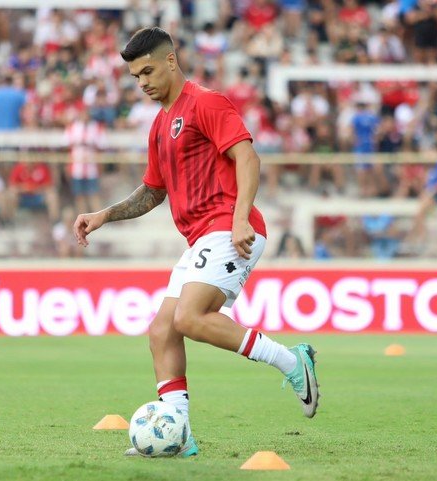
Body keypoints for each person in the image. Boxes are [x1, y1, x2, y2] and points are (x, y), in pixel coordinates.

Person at [73, 27, 319, 458]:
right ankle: (180, 434)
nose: (143, 82)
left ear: (171, 60)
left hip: (229, 226)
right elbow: (153, 192)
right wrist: (104, 215)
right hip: (201, 237)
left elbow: (247, 156)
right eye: (135, 77)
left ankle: (292, 362)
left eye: (148, 70)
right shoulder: (159, 126)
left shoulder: (206, 102)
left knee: (188, 318)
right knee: (161, 331)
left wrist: (241, 217)